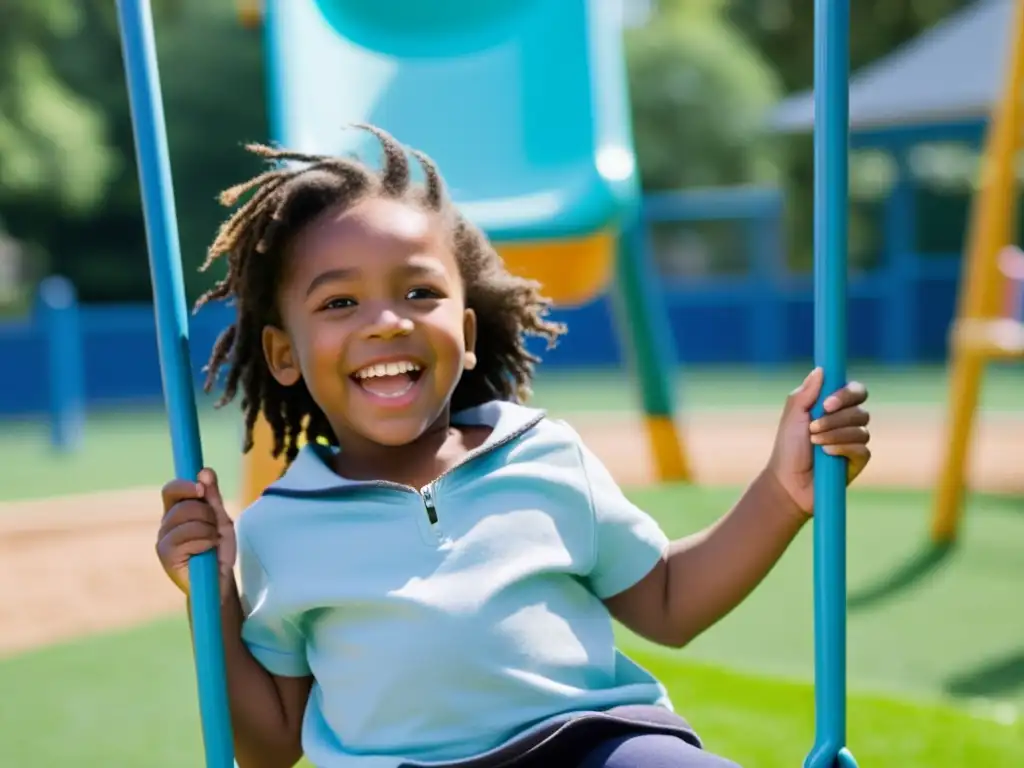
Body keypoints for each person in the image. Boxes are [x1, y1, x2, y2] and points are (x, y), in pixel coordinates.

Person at [156, 125, 871, 768]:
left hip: (592, 744)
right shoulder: (282, 526)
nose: (385, 323)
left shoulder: (541, 455)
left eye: (419, 294)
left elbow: (668, 601)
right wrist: (212, 598)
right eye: (340, 303)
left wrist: (782, 495)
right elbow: (269, 745)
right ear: (283, 354)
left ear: (465, 337)